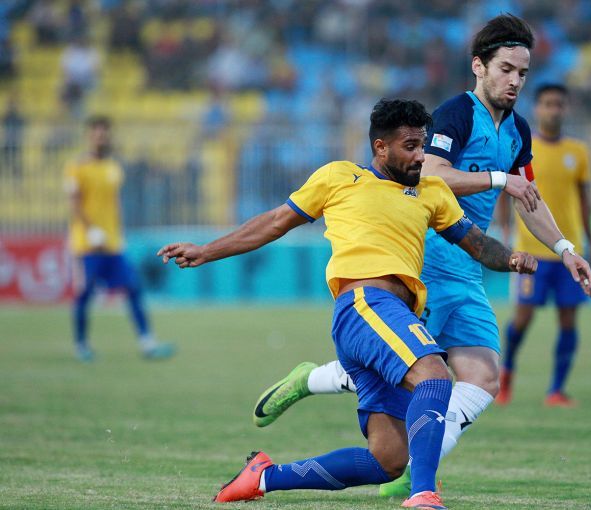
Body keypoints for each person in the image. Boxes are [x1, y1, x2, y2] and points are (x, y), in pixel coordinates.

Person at [249, 13, 591, 497]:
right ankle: (315, 383)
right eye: (505, 69)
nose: (515, 81)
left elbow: (529, 198)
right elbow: (433, 174)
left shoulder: (518, 130)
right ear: (479, 66)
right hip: (428, 265)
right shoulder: (457, 114)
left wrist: (565, 249)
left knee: (482, 379)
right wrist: (500, 179)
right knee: (414, 371)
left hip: (469, 271)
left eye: (522, 72)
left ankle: (416, 465)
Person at [157, 98, 538, 508]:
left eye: (423, 145)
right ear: (380, 147)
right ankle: (423, 493)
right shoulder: (339, 177)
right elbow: (275, 222)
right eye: (410, 146)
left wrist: (511, 259)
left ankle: (264, 477)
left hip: (390, 318)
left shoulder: (432, 192)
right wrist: (207, 251)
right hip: (363, 305)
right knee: (434, 376)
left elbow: (476, 243)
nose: (420, 156)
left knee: (388, 459)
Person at [496, 83, 591, 407]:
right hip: (531, 249)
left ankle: (556, 390)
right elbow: (506, 191)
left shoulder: (578, 151)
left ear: (566, 109)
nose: (553, 110)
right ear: (538, 108)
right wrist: (505, 234)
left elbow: (584, 202)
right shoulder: (522, 148)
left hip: (569, 250)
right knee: (522, 318)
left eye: (559, 104)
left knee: (568, 320)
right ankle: (505, 378)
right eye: (547, 104)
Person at [65, 115, 175, 362]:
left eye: (104, 134)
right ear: (89, 136)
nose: (101, 138)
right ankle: (81, 345)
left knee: (133, 287)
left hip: (112, 243)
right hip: (87, 245)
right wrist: (91, 230)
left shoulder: (113, 168)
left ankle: (147, 342)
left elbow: (114, 204)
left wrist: (118, 233)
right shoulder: (77, 166)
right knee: (85, 293)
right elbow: (74, 203)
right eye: (97, 134)